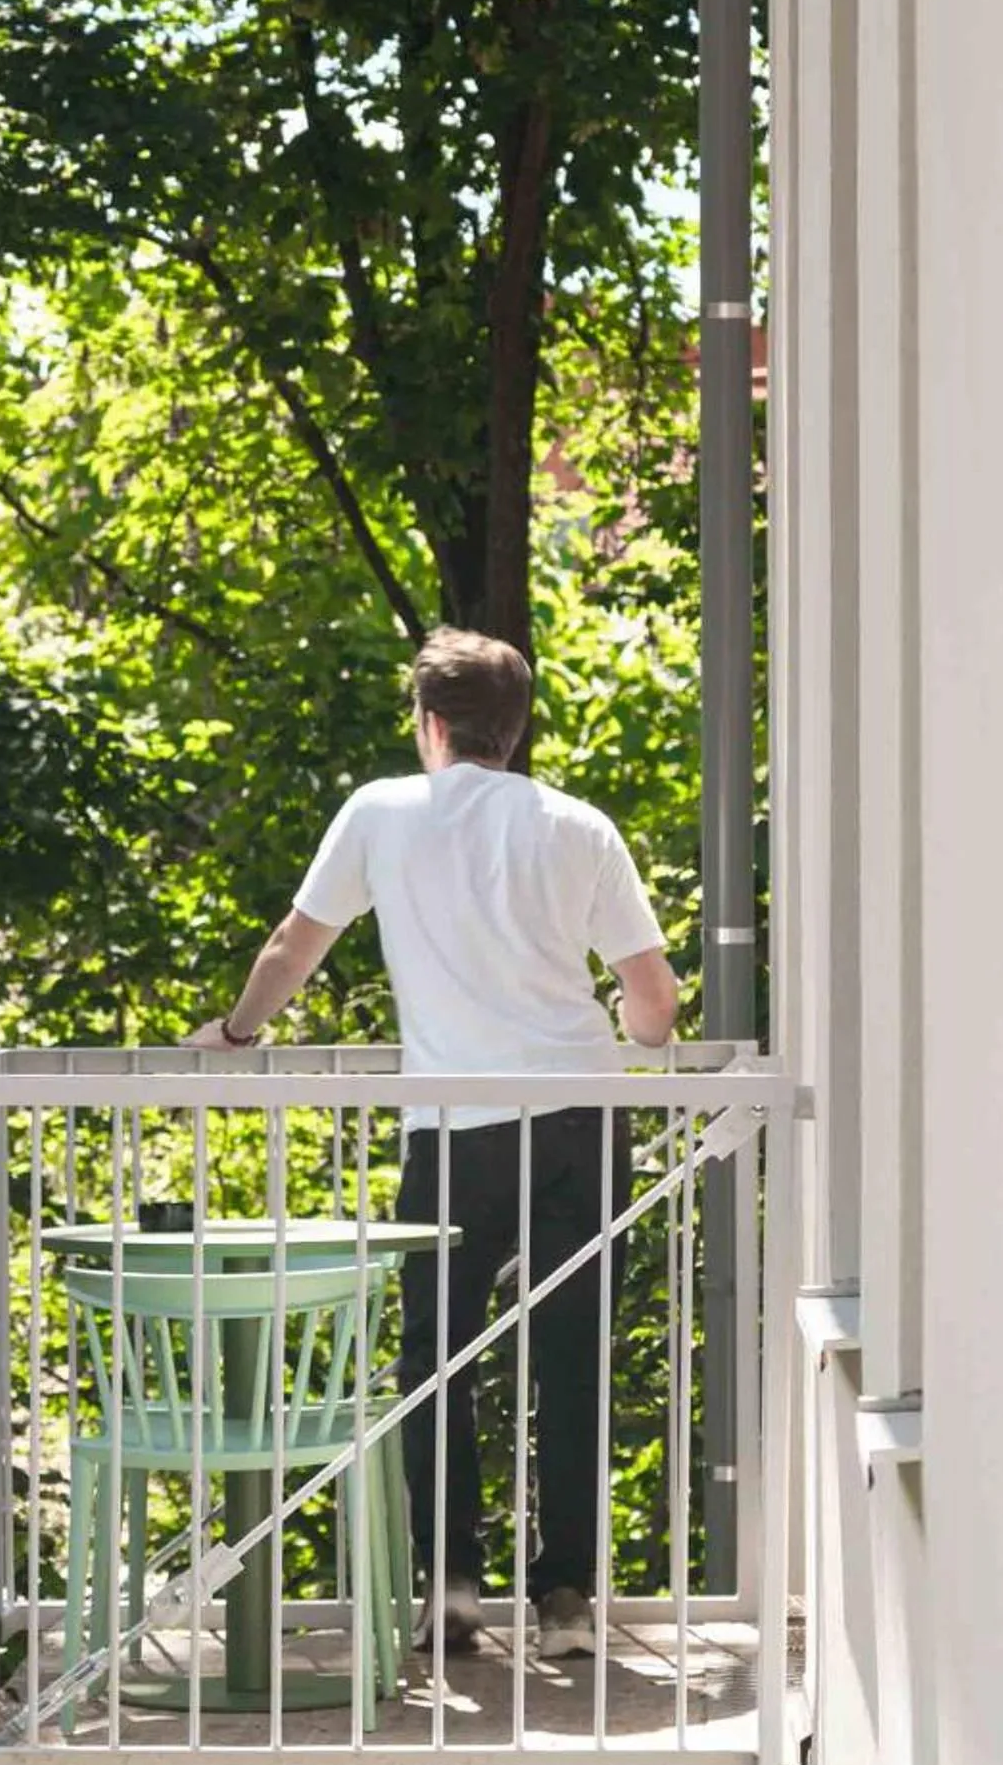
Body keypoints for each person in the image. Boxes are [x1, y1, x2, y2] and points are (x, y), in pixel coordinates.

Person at [186, 628, 679, 1659]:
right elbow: (652, 1005)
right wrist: (637, 1044)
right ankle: (567, 1602)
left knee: (436, 1361)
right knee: (572, 1357)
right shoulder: (577, 826)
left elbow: (295, 946)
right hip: (582, 1125)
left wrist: (236, 1035)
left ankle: (450, 1589)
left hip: (456, 1132)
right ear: (517, 726)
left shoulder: (381, 813)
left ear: (432, 726)